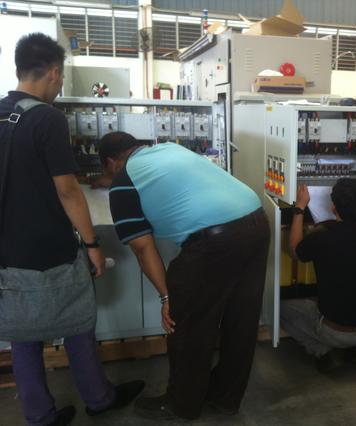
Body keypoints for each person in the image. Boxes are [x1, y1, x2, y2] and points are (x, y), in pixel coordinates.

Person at [0, 34, 144, 426]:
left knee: (22, 333)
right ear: (52, 72)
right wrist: (93, 243)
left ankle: (39, 414)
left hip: (7, 251)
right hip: (51, 247)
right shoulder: (46, 118)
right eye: (60, 79)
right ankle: (98, 398)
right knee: (79, 324)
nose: (60, 85)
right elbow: (68, 191)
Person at [97, 131, 270, 421]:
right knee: (241, 320)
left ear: (111, 162)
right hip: (255, 221)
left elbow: (142, 248)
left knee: (185, 321)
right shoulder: (167, 150)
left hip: (215, 240)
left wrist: (167, 298)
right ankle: (226, 398)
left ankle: (181, 404)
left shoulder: (123, 182)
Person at [281, 179, 356, 372]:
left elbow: (294, 250)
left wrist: (300, 207)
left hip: (336, 332)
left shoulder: (323, 237)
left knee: (280, 309)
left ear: (333, 206)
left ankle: (324, 351)